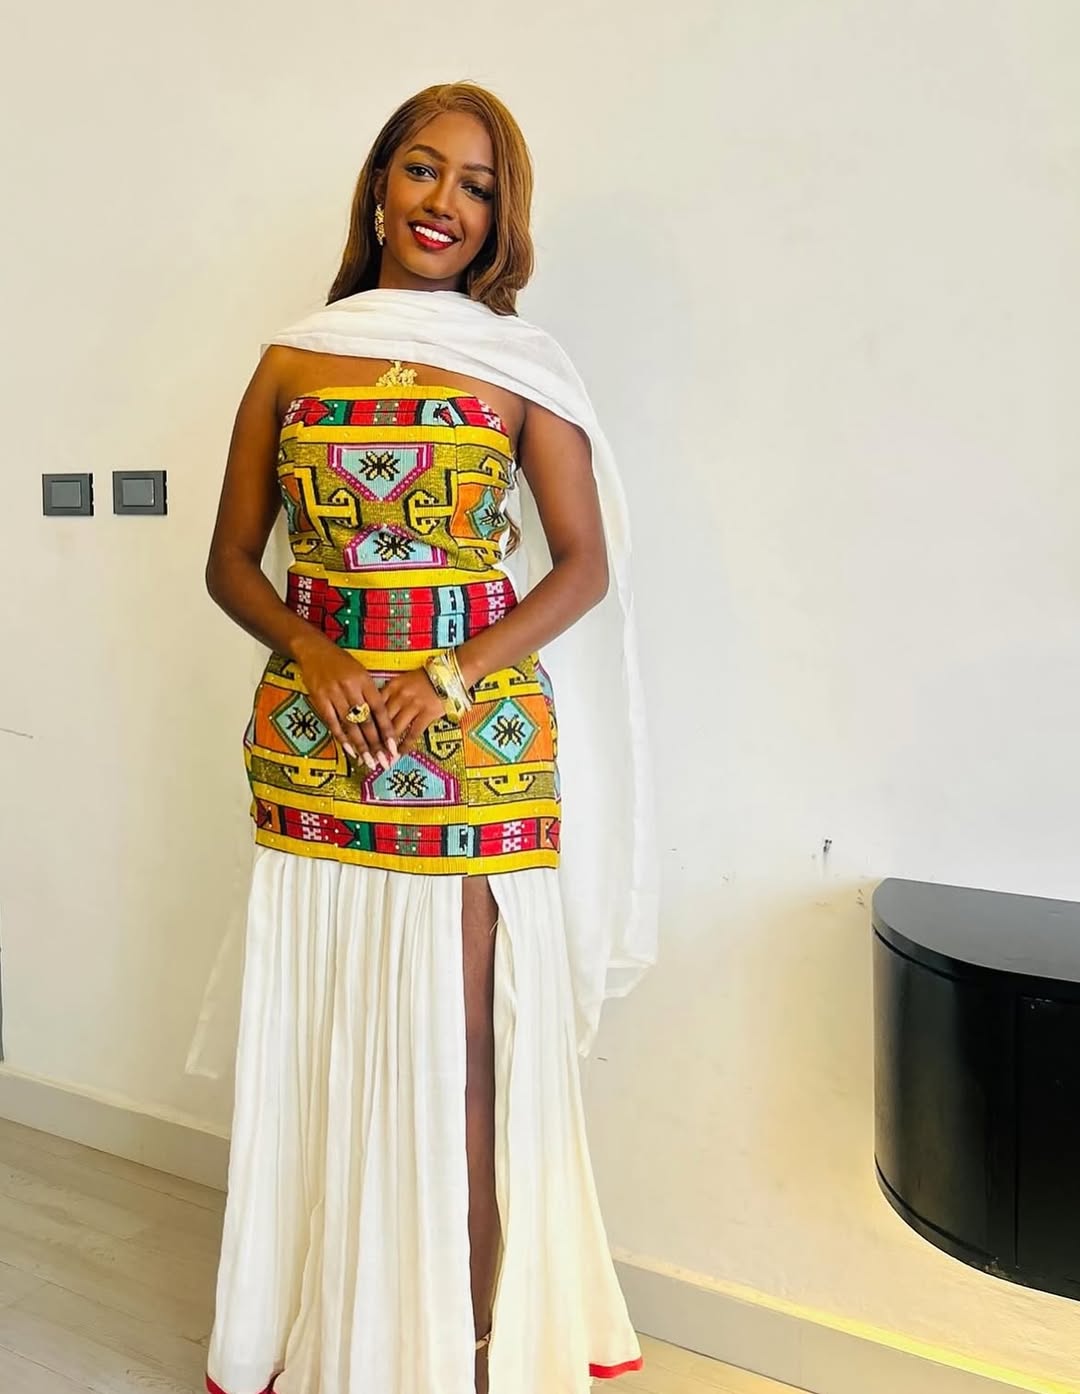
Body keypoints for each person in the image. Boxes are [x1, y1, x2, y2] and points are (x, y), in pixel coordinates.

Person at [200, 81, 658, 1394]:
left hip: (473, 746)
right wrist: (317, 650)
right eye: (421, 169)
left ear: (502, 219)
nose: (444, 202)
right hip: (317, 741)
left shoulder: (526, 368)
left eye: (477, 185)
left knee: (462, 1057)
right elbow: (231, 562)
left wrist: (449, 673)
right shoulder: (292, 358)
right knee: (329, 1042)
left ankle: (465, 1355)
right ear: (377, 187)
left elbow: (583, 566)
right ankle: (338, 1329)